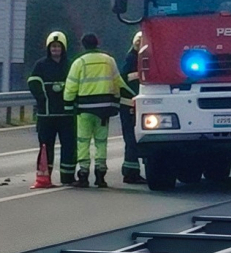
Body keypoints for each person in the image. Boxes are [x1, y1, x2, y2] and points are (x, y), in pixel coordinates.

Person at [64, 32, 129, 188]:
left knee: (83, 141)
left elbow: (71, 86)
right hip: (104, 110)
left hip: (84, 110)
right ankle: (101, 175)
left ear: (83, 45)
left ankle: (84, 175)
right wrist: (129, 96)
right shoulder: (109, 61)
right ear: (97, 43)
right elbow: (118, 82)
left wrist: (67, 103)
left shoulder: (79, 63)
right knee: (101, 142)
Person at [27, 31, 76, 185]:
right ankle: (44, 177)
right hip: (46, 115)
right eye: (53, 47)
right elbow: (33, 82)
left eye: (58, 46)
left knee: (69, 145)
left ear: (64, 48)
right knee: (45, 146)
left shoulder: (70, 65)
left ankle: (67, 177)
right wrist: (43, 97)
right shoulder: (40, 65)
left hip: (67, 115)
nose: (55, 49)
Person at [119, 31, 146, 185]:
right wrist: (140, 74)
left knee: (133, 140)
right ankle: (130, 173)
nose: (139, 43)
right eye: (137, 40)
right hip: (129, 104)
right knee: (131, 139)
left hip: (136, 104)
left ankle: (132, 171)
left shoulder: (142, 57)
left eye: (141, 41)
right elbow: (124, 78)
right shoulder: (131, 58)